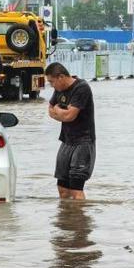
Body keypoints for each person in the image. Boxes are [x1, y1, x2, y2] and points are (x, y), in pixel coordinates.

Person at [46, 62, 96, 200]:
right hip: (66, 140)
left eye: (52, 82)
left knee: (75, 188)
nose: (51, 86)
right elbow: (50, 110)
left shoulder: (81, 88)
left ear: (61, 77)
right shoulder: (59, 89)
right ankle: (66, 219)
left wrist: (58, 111)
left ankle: (79, 220)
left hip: (83, 141)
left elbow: (69, 116)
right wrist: (60, 112)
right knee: (62, 187)